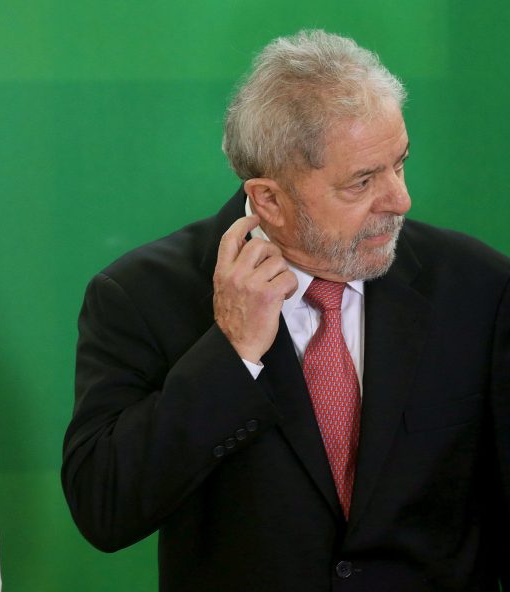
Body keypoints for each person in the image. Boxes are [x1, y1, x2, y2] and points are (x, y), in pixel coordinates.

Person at [62, 29, 510, 591]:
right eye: (362, 182)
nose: (399, 199)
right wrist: (232, 352)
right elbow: (105, 510)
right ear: (270, 198)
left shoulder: (477, 285)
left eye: (399, 164)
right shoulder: (142, 296)